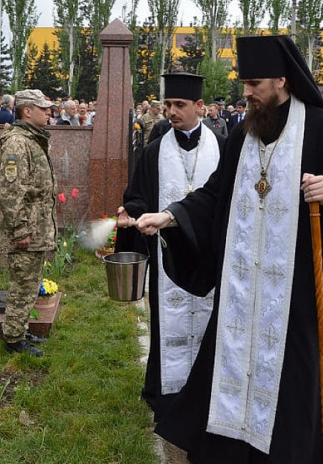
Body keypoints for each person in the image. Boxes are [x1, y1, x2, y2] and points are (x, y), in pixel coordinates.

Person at [134, 35, 323, 463]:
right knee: (229, 367)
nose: (246, 92)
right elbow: (215, 193)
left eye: (255, 83)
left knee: (292, 378)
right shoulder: (244, 133)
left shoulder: (320, 127)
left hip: (293, 293)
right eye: (244, 83)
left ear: (282, 80)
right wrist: (168, 216)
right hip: (241, 286)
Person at [117, 72, 226, 426]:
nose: (171, 112)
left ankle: (207, 394)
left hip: (210, 255)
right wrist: (129, 212)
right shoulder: (153, 152)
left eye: (179, 105)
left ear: (200, 107)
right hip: (168, 258)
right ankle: (167, 393)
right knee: (168, 324)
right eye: (168, 105)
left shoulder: (223, 146)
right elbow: (138, 196)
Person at [0, 88, 57, 357]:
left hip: (36, 227)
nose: (48, 112)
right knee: (22, 285)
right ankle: (13, 339)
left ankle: (20, 329)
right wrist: (20, 229)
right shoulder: (17, 144)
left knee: (30, 283)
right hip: (26, 230)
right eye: (43, 108)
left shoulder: (32, 139)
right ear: (27, 111)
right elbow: (11, 190)